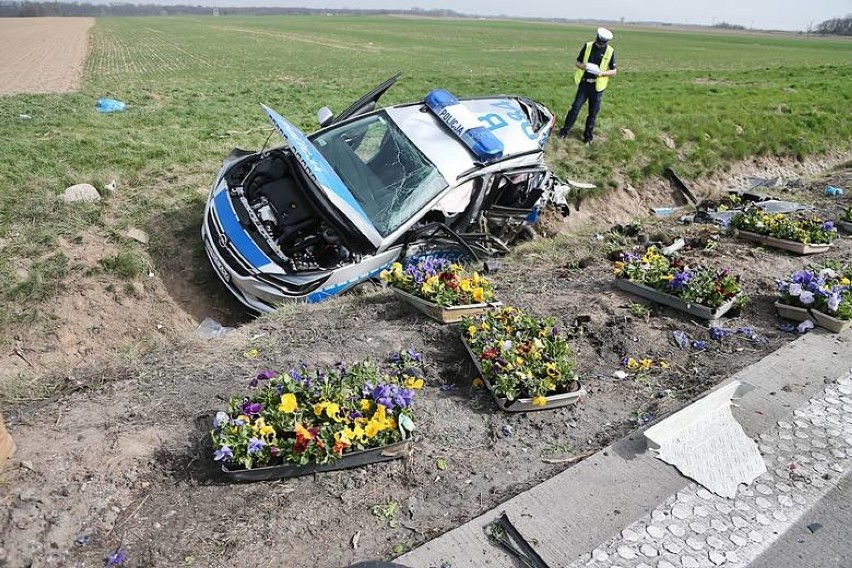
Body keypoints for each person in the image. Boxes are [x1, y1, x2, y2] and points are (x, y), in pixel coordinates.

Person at [557, 27, 617, 145]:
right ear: (597, 38)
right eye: (598, 42)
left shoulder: (610, 51)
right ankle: (564, 132)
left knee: (593, 113)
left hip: (597, 87)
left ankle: (587, 138)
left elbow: (614, 71)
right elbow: (577, 62)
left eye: (602, 43)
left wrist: (601, 73)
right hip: (584, 84)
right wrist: (584, 67)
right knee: (575, 108)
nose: (599, 45)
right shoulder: (588, 46)